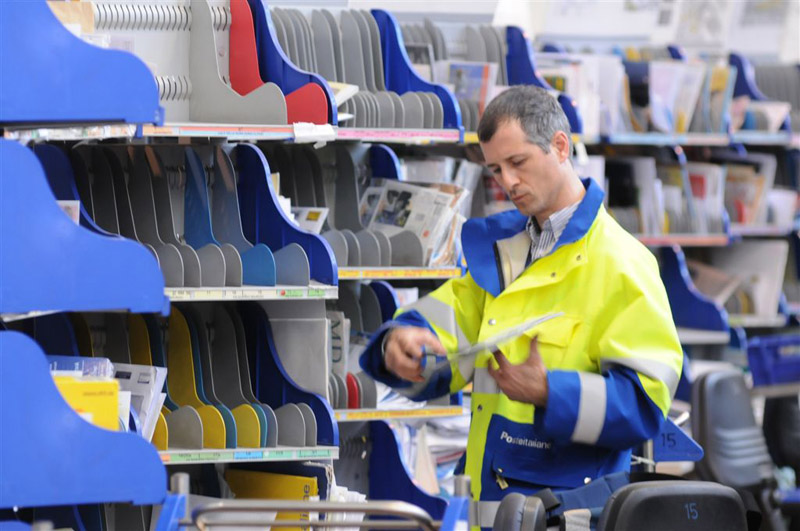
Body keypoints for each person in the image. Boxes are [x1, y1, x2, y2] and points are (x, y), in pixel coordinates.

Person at [359, 85, 683, 529]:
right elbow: (445, 332)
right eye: (495, 169)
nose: (507, 182)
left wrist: (552, 392)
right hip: (490, 514)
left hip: (569, 516)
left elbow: (646, 405)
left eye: (517, 163)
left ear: (560, 146)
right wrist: (401, 342)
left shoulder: (622, 264)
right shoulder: (503, 256)